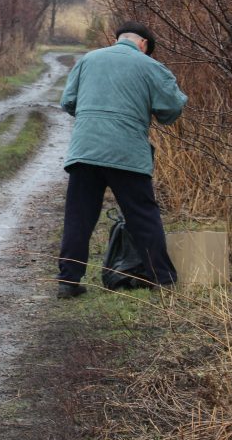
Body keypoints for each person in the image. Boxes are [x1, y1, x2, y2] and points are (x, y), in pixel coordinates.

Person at [56, 21, 188, 298]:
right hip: (127, 153)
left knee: (79, 217)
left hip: (85, 150)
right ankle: (163, 280)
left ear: (119, 40)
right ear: (143, 45)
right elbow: (172, 108)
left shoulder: (88, 60)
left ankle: (68, 281)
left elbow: (68, 102)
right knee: (143, 215)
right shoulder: (150, 66)